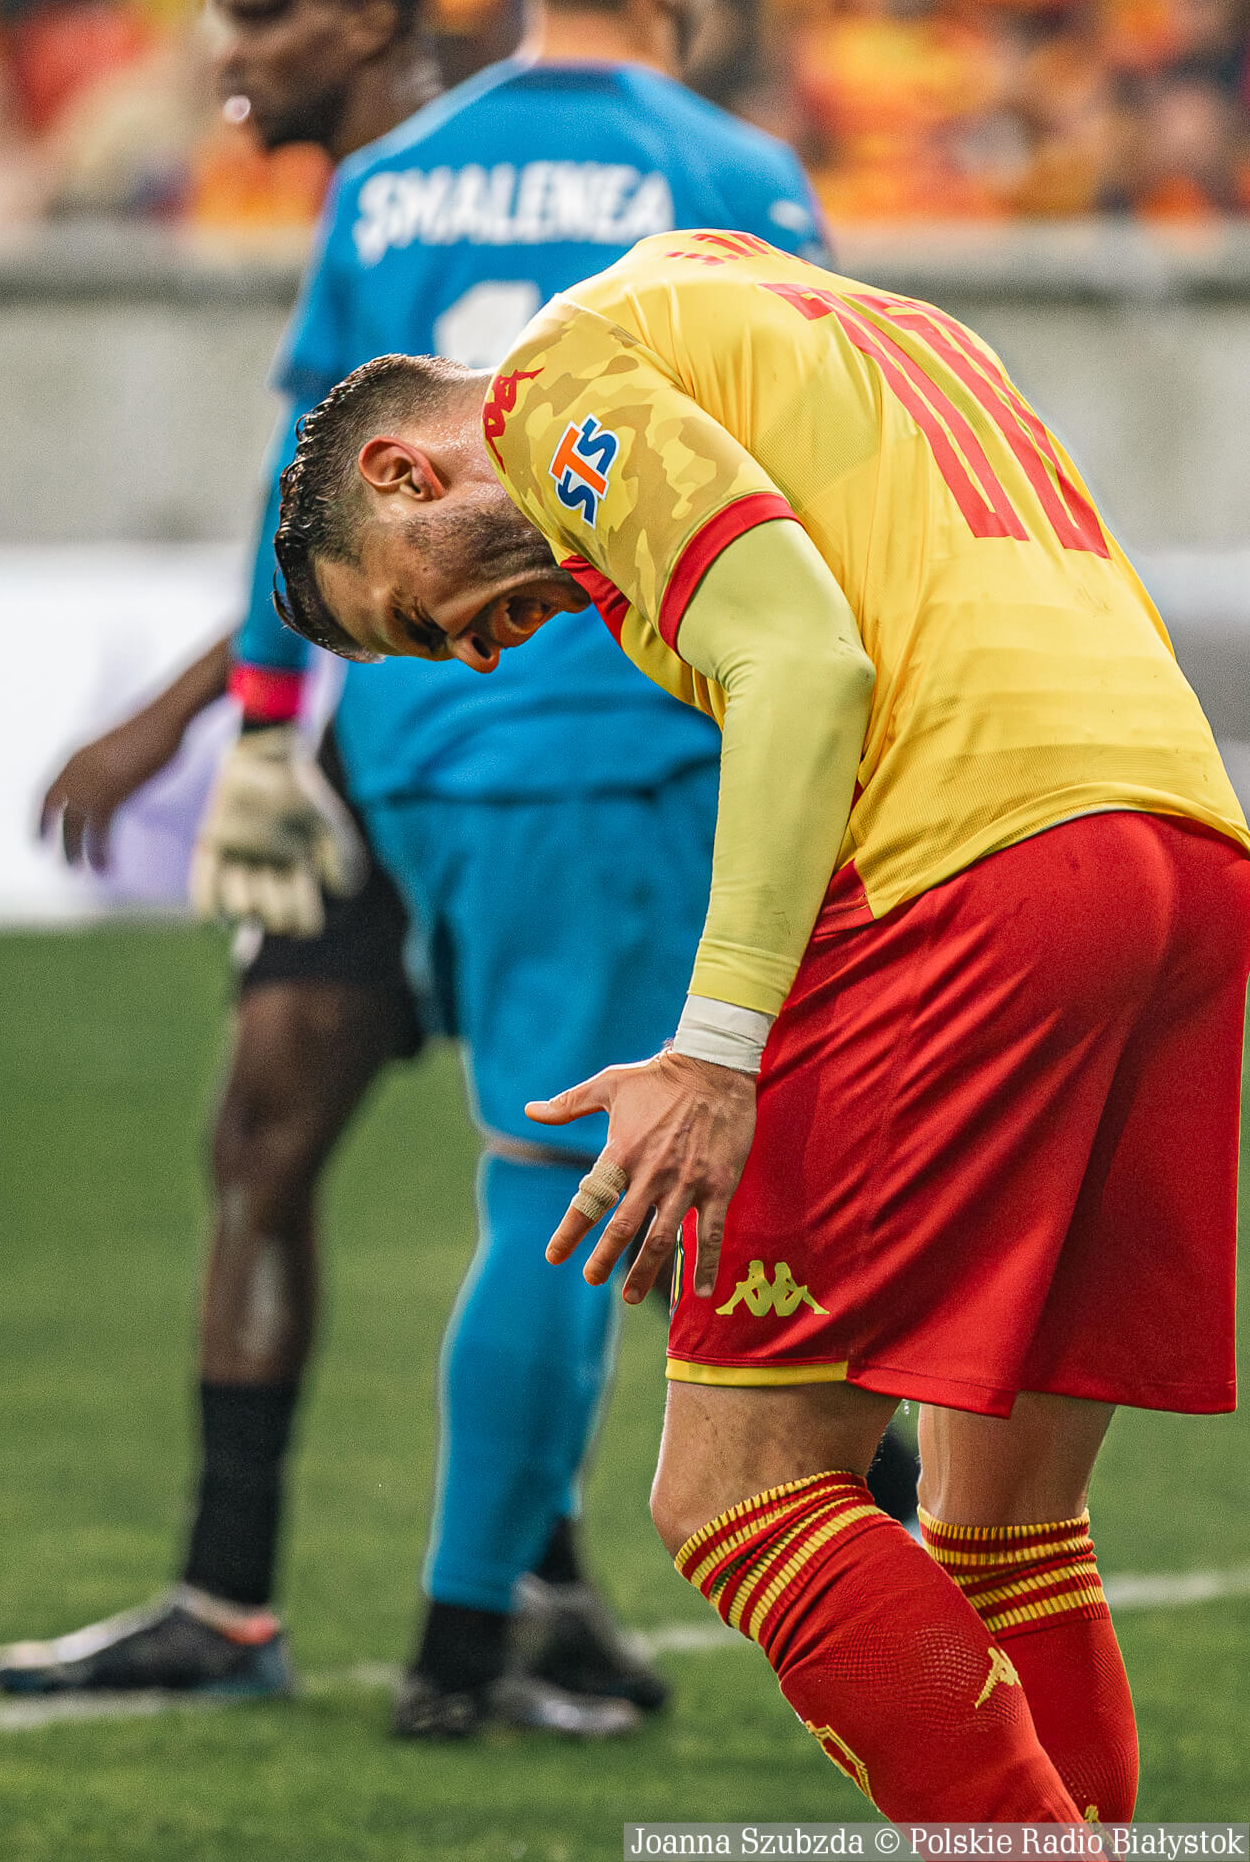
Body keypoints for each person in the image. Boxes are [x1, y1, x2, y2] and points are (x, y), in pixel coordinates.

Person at [0, 0, 923, 1735]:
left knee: (386, 1147)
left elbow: (312, 470)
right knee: (579, 1178)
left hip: (407, 731)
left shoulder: (393, 180)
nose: (234, 50)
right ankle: (466, 1639)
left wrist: (268, 724)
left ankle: (386, 1594)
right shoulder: (729, 169)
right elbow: (820, 440)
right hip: (612, 716)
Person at [266, 226, 1250, 1819]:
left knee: (741, 1492)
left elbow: (802, 657)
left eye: (422, 619)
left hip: (970, 859)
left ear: (404, 473)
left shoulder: (554, 383)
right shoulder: (827, 310)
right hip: (1182, 853)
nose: (481, 652)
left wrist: (717, 1055)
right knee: (1004, 1532)